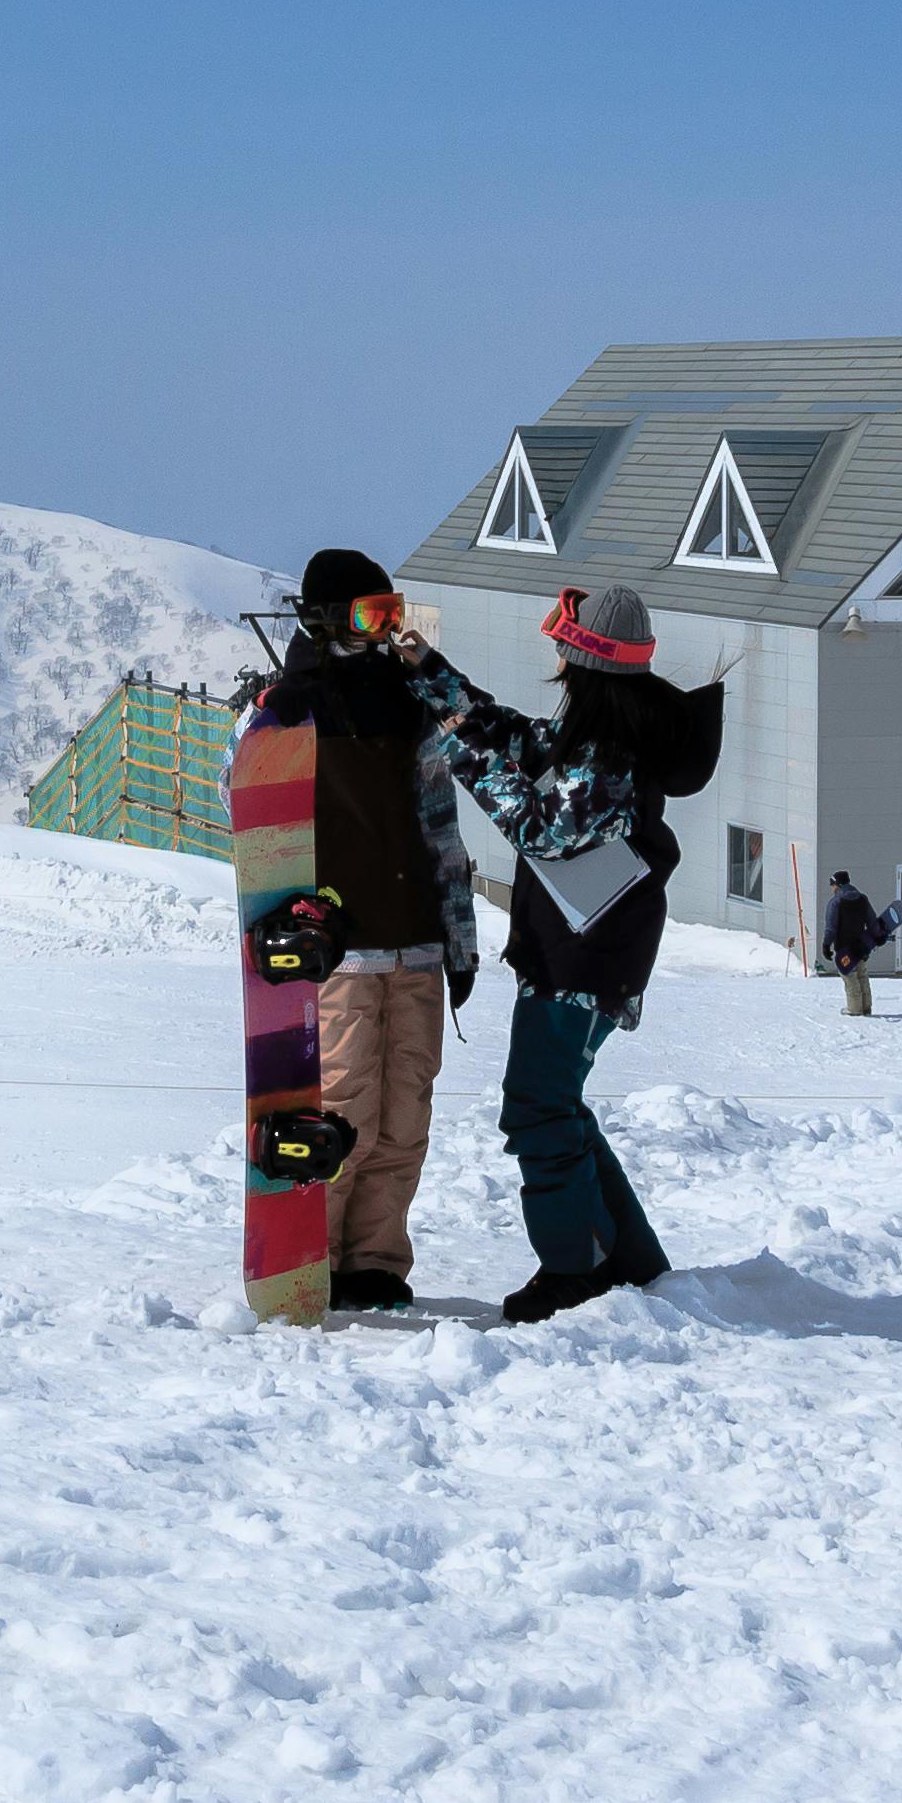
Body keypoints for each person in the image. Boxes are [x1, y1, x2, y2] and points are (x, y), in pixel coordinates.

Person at [400, 584, 726, 1326]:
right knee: (557, 1104)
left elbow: (541, 827)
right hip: (578, 949)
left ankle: (570, 1270)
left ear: (587, 660)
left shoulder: (608, 752)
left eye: (563, 644)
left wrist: (457, 749)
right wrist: (432, 674)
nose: (553, 655)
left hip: (586, 957)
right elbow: (516, 737)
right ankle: (629, 1259)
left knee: (537, 1106)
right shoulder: (595, 728)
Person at [267, 549, 487, 1312]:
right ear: (326, 618)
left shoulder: (407, 702)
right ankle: (316, 1257)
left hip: (417, 940)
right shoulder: (285, 710)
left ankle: (375, 1262)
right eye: (370, 615)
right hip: (342, 949)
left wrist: (457, 940)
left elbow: (440, 828)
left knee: (405, 1112)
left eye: (391, 612)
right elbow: (259, 831)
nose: (385, 630)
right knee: (346, 1107)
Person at [822, 869, 885, 1017]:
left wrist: (826, 945)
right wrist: (878, 935)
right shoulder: (862, 899)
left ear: (837, 885)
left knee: (849, 976)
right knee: (862, 975)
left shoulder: (836, 902)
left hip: (844, 947)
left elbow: (831, 927)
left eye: (833, 885)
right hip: (862, 945)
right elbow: (872, 921)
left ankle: (855, 1009)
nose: (832, 888)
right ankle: (866, 1007)